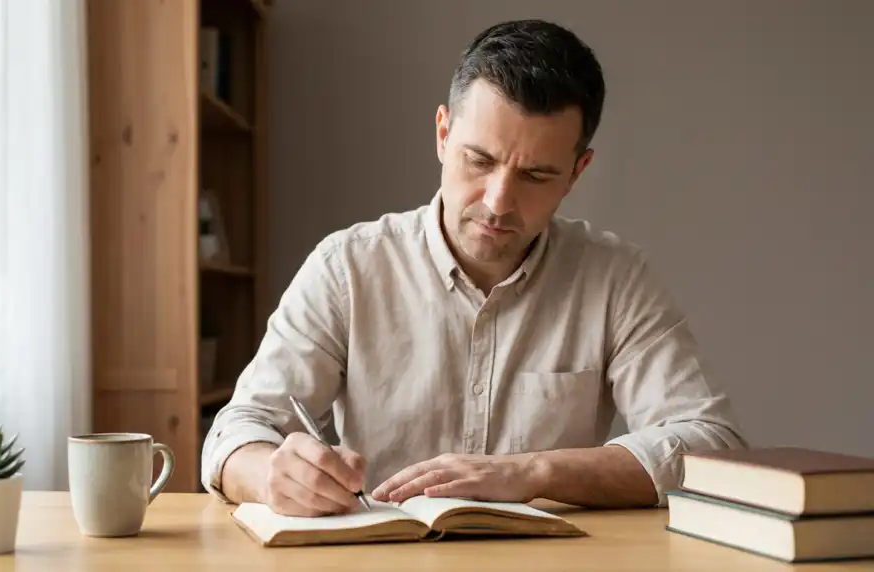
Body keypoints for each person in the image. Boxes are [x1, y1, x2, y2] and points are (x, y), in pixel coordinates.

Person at [200, 18, 746, 517]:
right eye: (479, 161)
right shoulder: (348, 267)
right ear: (443, 135)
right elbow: (236, 432)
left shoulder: (616, 279)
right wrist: (273, 474)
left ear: (577, 172)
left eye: (535, 176)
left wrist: (530, 472)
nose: (498, 203)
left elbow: (710, 441)